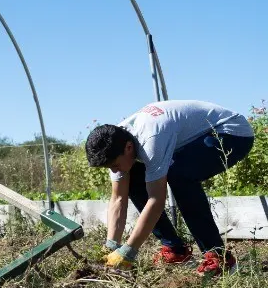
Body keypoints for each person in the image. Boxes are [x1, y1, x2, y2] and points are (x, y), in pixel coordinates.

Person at [85, 100, 254, 274]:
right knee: (134, 179)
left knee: (180, 175)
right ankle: (175, 251)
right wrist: (111, 245)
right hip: (195, 138)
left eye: (114, 165)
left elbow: (156, 200)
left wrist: (129, 251)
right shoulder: (115, 143)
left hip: (231, 133)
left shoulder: (149, 140)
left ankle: (219, 257)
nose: (114, 171)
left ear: (129, 148)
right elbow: (119, 198)